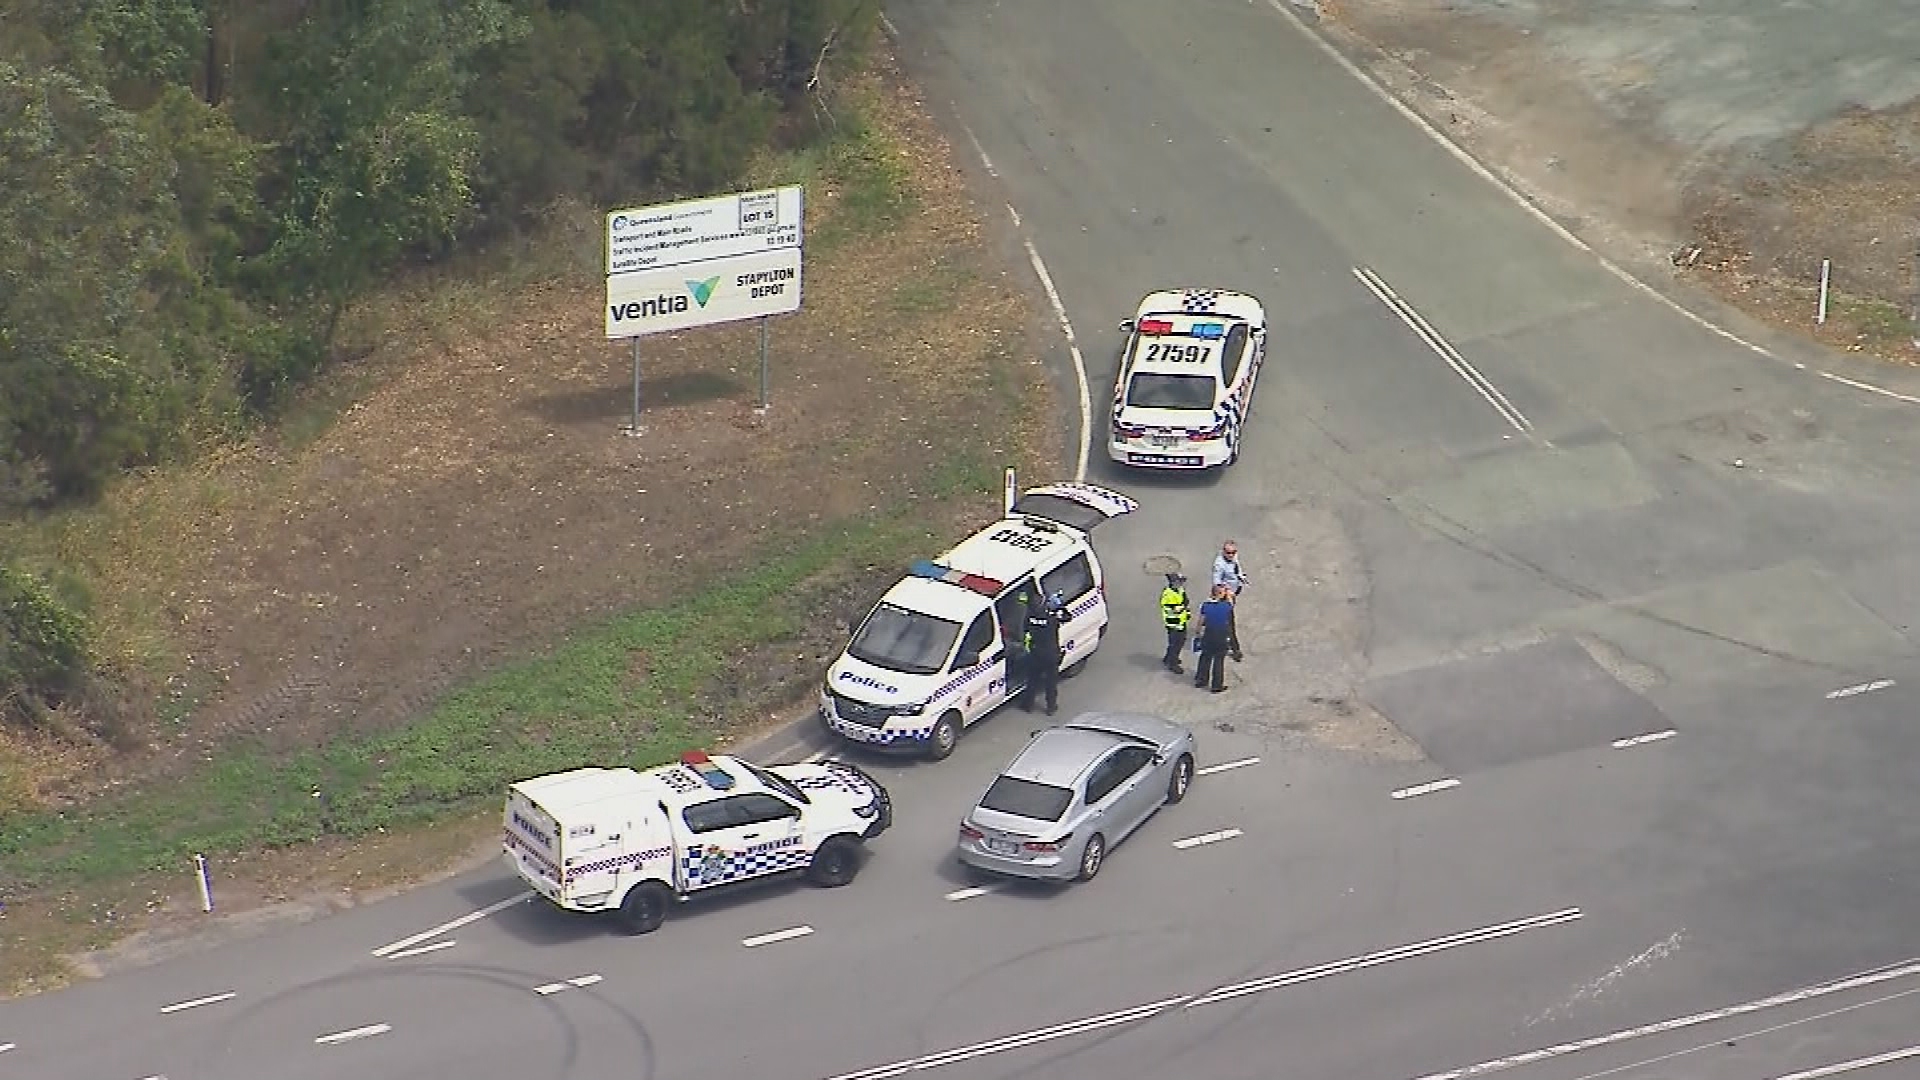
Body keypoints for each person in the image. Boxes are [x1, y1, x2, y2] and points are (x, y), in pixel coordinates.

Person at [1019, 590, 1066, 715]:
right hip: (1051, 654)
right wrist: (1059, 606)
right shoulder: (1051, 619)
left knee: (1033, 681)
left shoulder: (1029, 618)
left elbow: (1025, 629)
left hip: (1036, 653)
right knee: (1050, 683)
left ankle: (1028, 705)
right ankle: (1051, 707)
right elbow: (1067, 617)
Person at [1193, 584, 1237, 693]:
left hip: (1209, 634)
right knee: (1218, 660)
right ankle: (1216, 685)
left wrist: (1198, 633)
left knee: (1205, 657)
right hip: (1221, 635)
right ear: (1221, 594)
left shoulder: (1206, 605)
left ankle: (1201, 680)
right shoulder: (1226, 606)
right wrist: (1228, 594)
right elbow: (1232, 602)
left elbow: (1200, 621)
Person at [1211, 541, 1248, 661]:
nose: (1231, 555)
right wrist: (1227, 594)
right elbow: (1217, 583)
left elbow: (1236, 568)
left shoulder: (1234, 557)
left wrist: (1241, 577)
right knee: (1230, 623)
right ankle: (1235, 649)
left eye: (1233, 552)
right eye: (1228, 553)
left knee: (1226, 620)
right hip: (1226, 596)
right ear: (1223, 551)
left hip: (1234, 590)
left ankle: (1216, 629)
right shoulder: (1219, 565)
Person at [1159, 572, 1191, 674]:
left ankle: (1168, 657)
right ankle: (1173, 663)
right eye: (1180, 581)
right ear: (1173, 582)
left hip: (1181, 620)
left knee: (1178, 642)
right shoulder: (1168, 594)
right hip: (1173, 623)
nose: (1182, 583)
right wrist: (1182, 608)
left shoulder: (1179, 590)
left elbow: (1185, 601)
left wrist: (1187, 611)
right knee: (1176, 643)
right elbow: (1172, 609)